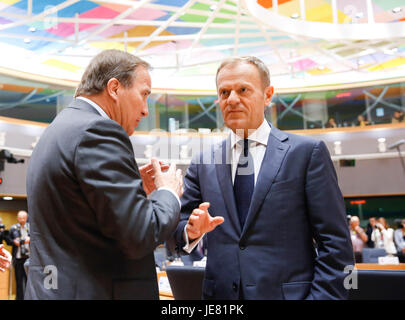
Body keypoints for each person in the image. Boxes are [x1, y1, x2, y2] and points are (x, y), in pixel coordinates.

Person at [172, 56, 354, 300]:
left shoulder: (306, 154)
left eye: (243, 90)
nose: (232, 99)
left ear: (268, 95)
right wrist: (191, 231)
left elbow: (336, 245)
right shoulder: (203, 162)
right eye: (224, 92)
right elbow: (178, 231)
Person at [25, 50, 184, 300]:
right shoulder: (97, 130)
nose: (145, 111)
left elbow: (81, 217)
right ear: (114, 88)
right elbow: (139, 235)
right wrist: (168, 193)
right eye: (144, 95)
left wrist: (133, 194)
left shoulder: (60, 128)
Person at [9, 210, 30, 300]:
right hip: (18, 258)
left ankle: (29, 297)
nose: (22, 220)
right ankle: (19, 298)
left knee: (29, 280)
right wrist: (14, 242)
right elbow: (8, 240)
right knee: (18, 280)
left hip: (29, 258)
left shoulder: (31, 227)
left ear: (27, 218)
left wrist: (30, 239)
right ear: (17, 218)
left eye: (24, 218)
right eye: (20, 218)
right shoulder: (13, 228)